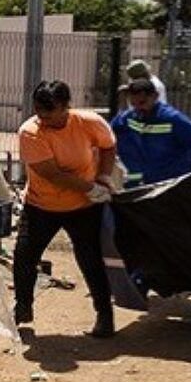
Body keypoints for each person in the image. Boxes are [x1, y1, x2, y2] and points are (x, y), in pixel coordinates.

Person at [14, 80, 118, 338]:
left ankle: (104, 315)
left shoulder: (88, 122)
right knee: (25, 256)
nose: (43, 118)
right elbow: (52, 174)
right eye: (39, 111)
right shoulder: (30, 132)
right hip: (41, 205)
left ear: (66, 107)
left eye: (50, 112)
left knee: (91, 259)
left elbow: (108, 145)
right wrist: (90, 188)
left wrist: (104, 177)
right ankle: (22, 306)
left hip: (82, 207)